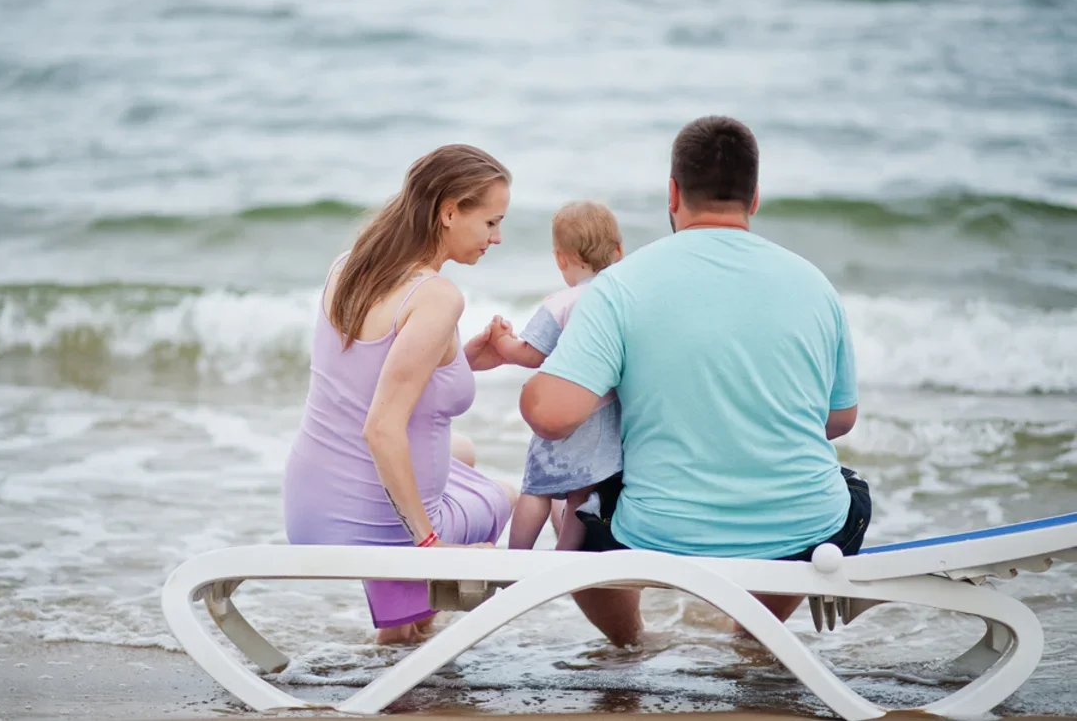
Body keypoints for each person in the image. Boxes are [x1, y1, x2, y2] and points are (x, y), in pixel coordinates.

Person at [519, 116, 871, 647]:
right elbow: (838, 420)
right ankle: (754, 637)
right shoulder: (814, 284)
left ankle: (630, 641)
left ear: (673, 192)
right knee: (847, 494)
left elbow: (551, 415)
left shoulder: (621, 285)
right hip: (806, 529)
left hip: (659, 531)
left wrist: (531, 372)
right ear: (754, 198)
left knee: (583, 508)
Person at [283, 144, 520, 645]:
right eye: (492, 223)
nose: (497, 238)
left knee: (464, 453)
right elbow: (382, 427)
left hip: (309, 508)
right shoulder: (436, 296)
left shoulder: (350, 266)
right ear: (450, 211)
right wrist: (430, 545)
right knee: (511, 499)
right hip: (365, 522)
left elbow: (372, 375)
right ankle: (408, 625)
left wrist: (463, 358)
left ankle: (403, 623)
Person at [490, 201, 625, 551]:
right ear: (619, 250)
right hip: (608, 416)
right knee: (582, 492)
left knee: (537, 487)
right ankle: (562, 562)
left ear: (560, 259)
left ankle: (515, 560)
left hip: (562, 409)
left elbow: (530, 353)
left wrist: (501, 341)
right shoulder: (624, 300)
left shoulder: (562, 303)